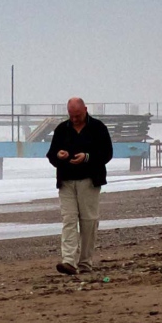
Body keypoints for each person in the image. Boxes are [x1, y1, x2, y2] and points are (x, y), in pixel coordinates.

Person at [49, 97, 113, 275]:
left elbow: (107, 153)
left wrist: (87, 157)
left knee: (88, 222)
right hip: (66, 181)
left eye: (77, 115)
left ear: (85, 109)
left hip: (90, 180)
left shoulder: (98, 128)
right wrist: (58, 156)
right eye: (71, 115)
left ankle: (85, 262)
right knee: (69, 219)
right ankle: (68, 260)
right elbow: (51, 155)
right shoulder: (62, 129)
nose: (74, 119)